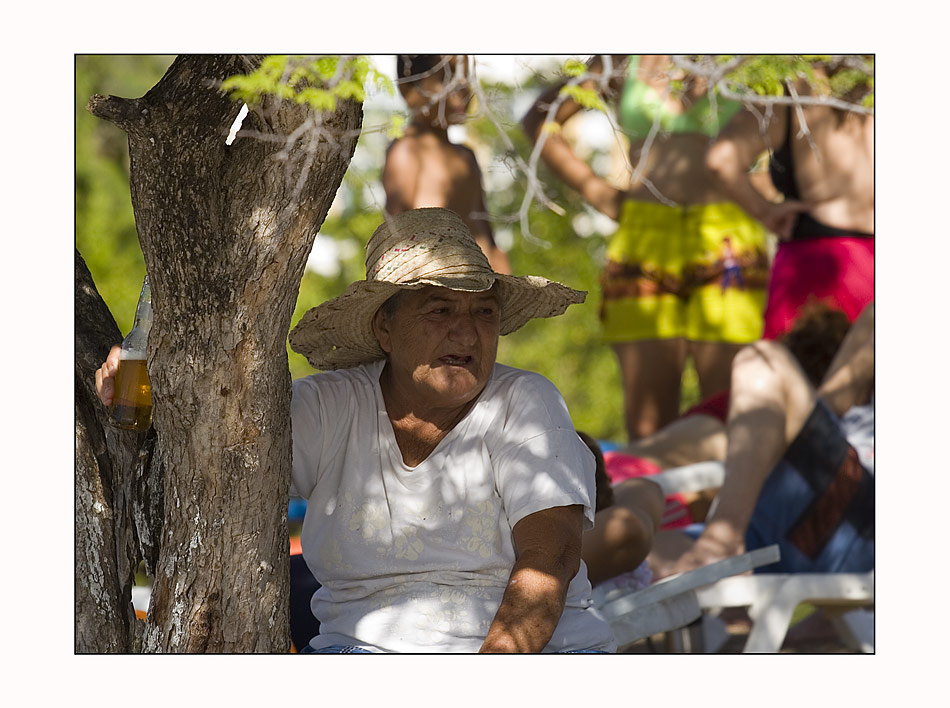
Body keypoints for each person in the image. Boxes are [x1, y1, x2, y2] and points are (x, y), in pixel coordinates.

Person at [97, 207, 615, 653]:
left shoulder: (525, 401)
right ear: (384, 329)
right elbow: (222, 466)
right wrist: (158, 396)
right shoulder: (329, 406)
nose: (467, 331)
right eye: (440, 310)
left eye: (483, 313)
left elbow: (553, 555)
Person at [522, 55, 770, 441]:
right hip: (644, 241)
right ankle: (658, 501)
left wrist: (767, 191)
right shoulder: (623, 56)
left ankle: (729, 503)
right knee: (648, 427)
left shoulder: (748, 54)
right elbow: (540, 119)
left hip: (729, 241)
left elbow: (807, 114)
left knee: (731, 414)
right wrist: (594, 189)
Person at [650, 302, 874, 579]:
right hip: (793, 506)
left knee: (761, 361)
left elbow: (830, 400)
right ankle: (724, 554)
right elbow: (832, 401)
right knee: (627, 558)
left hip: (855, 522)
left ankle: (723, 539)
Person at [705, 59, 874, 339]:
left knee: (795, 377)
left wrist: (766, 212)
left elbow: (721, 159)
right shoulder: (872, 84)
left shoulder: (795, 91)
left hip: (817, 264)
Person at [383, 55, 511, 274]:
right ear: (408, 89)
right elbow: (396, 241)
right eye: (447, 77)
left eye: (467, 77)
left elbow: (488, 236)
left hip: (482, 286)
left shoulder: (466, 156)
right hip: (433, 290)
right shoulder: (407, 151)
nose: (462, 87)